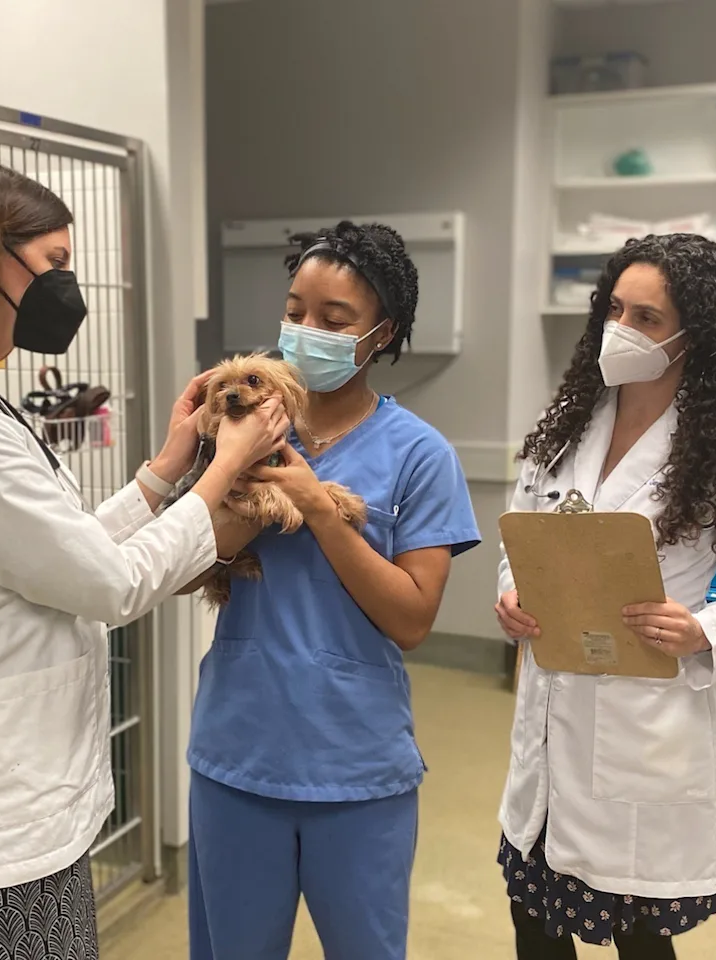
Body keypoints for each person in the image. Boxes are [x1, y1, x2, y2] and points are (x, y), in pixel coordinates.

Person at [0, 159, 288, 960]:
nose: (65, 286)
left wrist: (168, 466)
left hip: (30, 798)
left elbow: (61, 549)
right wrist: (222, 472)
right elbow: (109, 585)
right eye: (53, 265)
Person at [183, 221, 481, 960]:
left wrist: (317, 507)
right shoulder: (231, 432)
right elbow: (183, 570)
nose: (302, 331)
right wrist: (229, 472)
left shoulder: (420, 454)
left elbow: (412, 618)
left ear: (380, 334)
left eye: (333, 320)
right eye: (294, 311)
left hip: (354, 767)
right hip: (236, 754)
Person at [493, 234, 716, 959]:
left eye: (648, 317)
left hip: (642, 722)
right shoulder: (565, 428)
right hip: (550, 708)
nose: (622, 329)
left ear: (695, 334)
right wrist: (510, 595)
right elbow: (517, 545)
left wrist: (701, 631)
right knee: (532, 924)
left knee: (638, 940)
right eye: (615, 309)